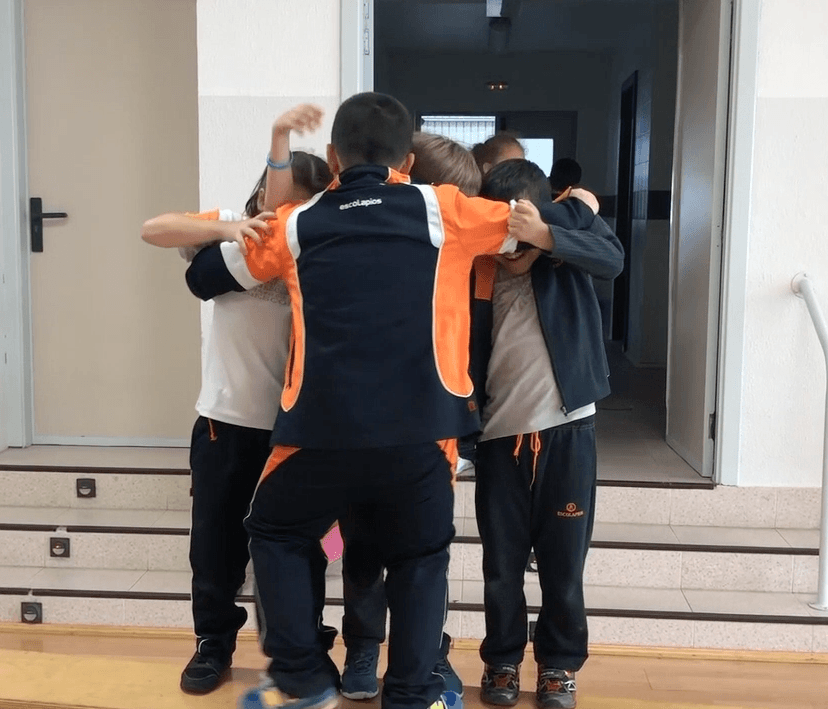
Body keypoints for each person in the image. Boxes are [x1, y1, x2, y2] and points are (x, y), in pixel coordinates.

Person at [179, 92, 594, 709]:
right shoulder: (447, 208)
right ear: (407, 161)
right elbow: (523, 222)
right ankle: (410, 692)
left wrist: (233, 217)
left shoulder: (298, 220)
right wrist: (579, 205)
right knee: (421, 559)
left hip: (317, 437)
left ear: (333, 157)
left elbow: (212, 271)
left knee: (274, 532)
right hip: (421, 440)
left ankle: (303, 676)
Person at [140, 105, 330, 696]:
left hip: (295, 429)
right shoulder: (231, 228)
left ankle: (301, 644)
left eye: (299, 205)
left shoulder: (316, 249)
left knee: (304, 547)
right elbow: (154, 228)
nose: (284, 212)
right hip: (224, 420)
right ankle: (213, 643)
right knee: (215, 547)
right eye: (278, 198)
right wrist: (226, 230)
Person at [469, 159, 623, 709]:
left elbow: (612, 259)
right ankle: (502, 660)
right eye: (503, 234)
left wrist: (548, 235)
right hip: (498, 439)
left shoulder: (565, 257)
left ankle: (559, 665)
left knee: (563, 564)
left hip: (567, 433)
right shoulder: (480, 269)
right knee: (501, 565)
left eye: (521, 235)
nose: (512, 249)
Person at [337, 131, 481, 702]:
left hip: (429, 431)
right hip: (357, 426)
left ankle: (426, 655)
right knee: (358, 548)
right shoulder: (354, 232)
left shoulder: (458, 245)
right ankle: (362, 647)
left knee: (424, 558)